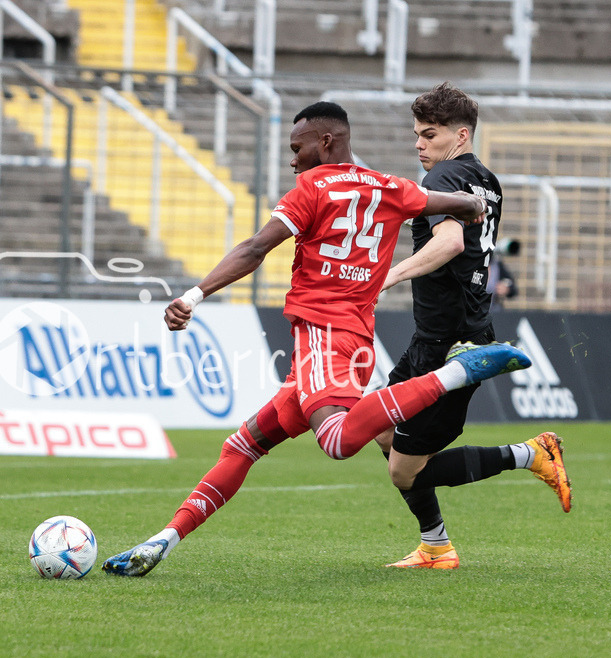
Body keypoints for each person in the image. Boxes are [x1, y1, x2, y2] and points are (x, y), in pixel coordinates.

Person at [102, 101, 531, 577]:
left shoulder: (311, 187)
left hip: (324, 337)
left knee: (338, 441)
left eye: (296, 147)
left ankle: (458, 371)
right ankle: (164, 540)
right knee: (243, 444)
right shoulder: (389, 186)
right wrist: (470, 205)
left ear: (325, 141)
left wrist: (194, 294)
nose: (293, 158)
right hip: (350, 342)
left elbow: (254, 248)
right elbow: (445, 205)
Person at [376, 83, 569, 569]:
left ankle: (530, 455)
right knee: (377, 428)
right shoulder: (488, 180)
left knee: (403, 471)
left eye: (430, 134)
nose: (419, 144)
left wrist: (390, 276)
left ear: (459, 135)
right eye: (417, 135)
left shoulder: (441, 176)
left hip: (452, 346)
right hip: (443, 335)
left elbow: (450, 244)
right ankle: (435, 546)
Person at [488, 239, 519, 314]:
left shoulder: (497, 265)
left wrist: (507, 288)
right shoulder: (473, 265)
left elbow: (513, 288)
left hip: (492, 310)